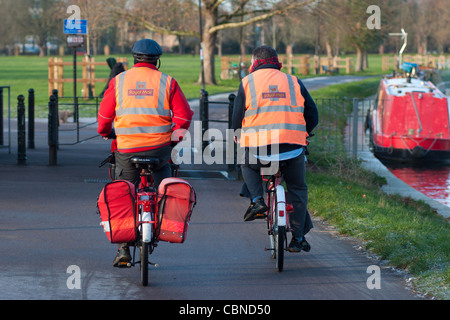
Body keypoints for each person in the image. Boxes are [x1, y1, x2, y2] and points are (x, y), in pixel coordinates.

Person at [97, 39, 194, 267]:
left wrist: (106, 132)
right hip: (159, 149)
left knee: (124, 191)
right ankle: (164, 226)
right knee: (165, 188)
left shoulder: (119, 81)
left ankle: (123, 247)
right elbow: (184, 117)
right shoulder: (167, 82)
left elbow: (103, 118)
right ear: (157, 60)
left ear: (134, 58)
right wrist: (174, 139)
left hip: (127, 149)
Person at [232, 45, 319, 253]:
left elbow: (236, 118)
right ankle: (298, 238)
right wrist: (305, 133)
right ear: (277, 61)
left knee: (245, 160)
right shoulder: (293, 81)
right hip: (292, 147)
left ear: (254, 62)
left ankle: (257, 201)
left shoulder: (247, 83)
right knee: (297, 189)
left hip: (259, 150)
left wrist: (237, 134)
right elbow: (313, 114)